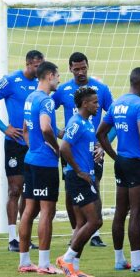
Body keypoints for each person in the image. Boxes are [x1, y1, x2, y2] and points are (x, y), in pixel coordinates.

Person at [98, 67, 140, 273]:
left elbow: (101, 133)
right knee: (137, 212)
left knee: (120, 211)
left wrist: (114, 155)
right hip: (136, 163)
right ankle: (137, 261)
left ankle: (119, 259)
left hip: (122, 162)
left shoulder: (117, 104)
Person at [0, 50, 43, 252]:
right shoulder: (10, 81)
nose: (39, 69)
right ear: (28, 64)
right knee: (15, 189)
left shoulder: (42, 84)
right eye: (36, 66)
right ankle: (12, 238)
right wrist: (4, 127)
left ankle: (25, 236)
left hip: (35, 144)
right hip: (15, 143)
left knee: (31, 192)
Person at [52, 52, 113, 247]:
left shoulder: (101, 89)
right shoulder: (63, 90)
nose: (80, 72)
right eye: (76, 69)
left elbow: (112, 120)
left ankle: (93, 232)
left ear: (88, 66)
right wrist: (57, 132)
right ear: (70, 69)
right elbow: (46, 111)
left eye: (83, 68)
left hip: (94, 149)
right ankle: (77, 230)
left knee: (94, 185)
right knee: (71, 191)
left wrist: (103, 145)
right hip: (72, 148)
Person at [16, 61, 62, 274]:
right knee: (47, 211)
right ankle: (44, 263)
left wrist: (32, 146)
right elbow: (45, 127)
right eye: (58, 76)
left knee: (28, 210)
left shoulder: (30, 98)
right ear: (50, 75)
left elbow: (25, 128)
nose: (59, 81)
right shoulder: (46, 101)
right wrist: (56, 148)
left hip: (31, 159)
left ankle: (25, 261)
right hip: (45, 162)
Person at [55, 87, 103, 277]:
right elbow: (64, 147)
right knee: (95, 221)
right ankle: (66, 258)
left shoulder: (88, 123)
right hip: (79, 179)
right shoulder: (76, 122)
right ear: (84, 104)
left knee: (82, 222)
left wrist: (98, 150)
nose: (98, 106)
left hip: (87, 177)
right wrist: (78, 170)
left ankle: (73, 267)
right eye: (94, 102)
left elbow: (83, 147)